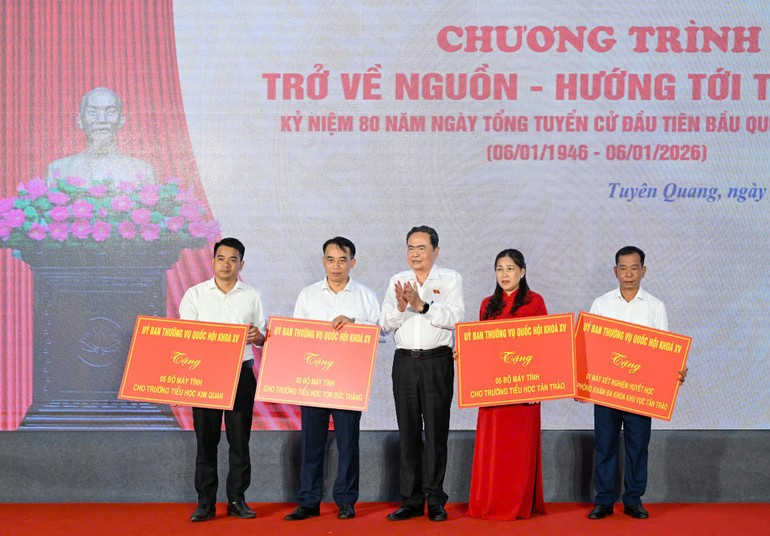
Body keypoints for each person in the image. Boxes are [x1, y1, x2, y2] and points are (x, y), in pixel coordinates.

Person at [284, 237, 381, 521]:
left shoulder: (365, 296)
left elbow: (381, 334)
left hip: (348, 382)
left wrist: (355, 325)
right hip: (313, 381)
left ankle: (346, 500)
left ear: (353, 262)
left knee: (348, 444)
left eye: (342, 259)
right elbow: (298, 336)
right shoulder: (308, 295)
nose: (336, 266)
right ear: (323, 261)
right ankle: (308, 501)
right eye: (330, 259)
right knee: (311, 442)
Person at [587, 246, 687, 520]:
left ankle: (633, 499)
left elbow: (665, 351)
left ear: (643, 271)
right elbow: (590, 347)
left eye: (634, 268)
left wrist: (675, 371)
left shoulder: (655, 306)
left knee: (637, 446)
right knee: (605, 445)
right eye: (623, 268)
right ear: (615, 271)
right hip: (607, 389)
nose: (628, 274)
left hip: (641, 392)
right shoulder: (601, 303)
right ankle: (604, 500)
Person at [380, 226, 464, 522]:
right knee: (409, 432)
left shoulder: (451, 279)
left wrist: (422, 306)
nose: (415, 254)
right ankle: (411, 500)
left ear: (435, 251)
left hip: (437, 361)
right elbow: (385, 325)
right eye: (411, 248)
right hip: (404, 363)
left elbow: (456, 319)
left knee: (436, 431)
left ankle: (436, 500)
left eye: (422, 248)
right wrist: (403, 307)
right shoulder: (396, 280)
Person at [179, 237, 265, 522]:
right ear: (213, 261)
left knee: (240, 440)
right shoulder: (195, 294)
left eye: (232, 259)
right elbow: (185, 336)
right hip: (205, 375)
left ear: (241, 264)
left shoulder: (252, 295)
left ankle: (237, 499)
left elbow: (262, 336)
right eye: (220, 258)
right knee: (207, 440)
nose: (226, 264)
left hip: (241, 373)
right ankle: (205, 502)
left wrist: (258, 337)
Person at [466, 249, 547, 521]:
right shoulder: (487, 304)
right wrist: (466, 355)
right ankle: (490, 501)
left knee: (517, 450)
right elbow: (480, 347)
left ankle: (516, 503)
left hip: (524, 391)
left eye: (510, 268)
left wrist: (538, 387)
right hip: (493, 390)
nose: (504, 274)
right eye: (499, 268)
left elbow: (543, 346)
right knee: (494, 450)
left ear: (522, 272)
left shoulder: (535, 302)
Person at [45, 87, 157, 185]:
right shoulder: (58, 170)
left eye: (110, 112)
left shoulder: (143, 170)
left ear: (121, 120)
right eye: (92, 112)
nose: (101, 120)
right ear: (80, 120)